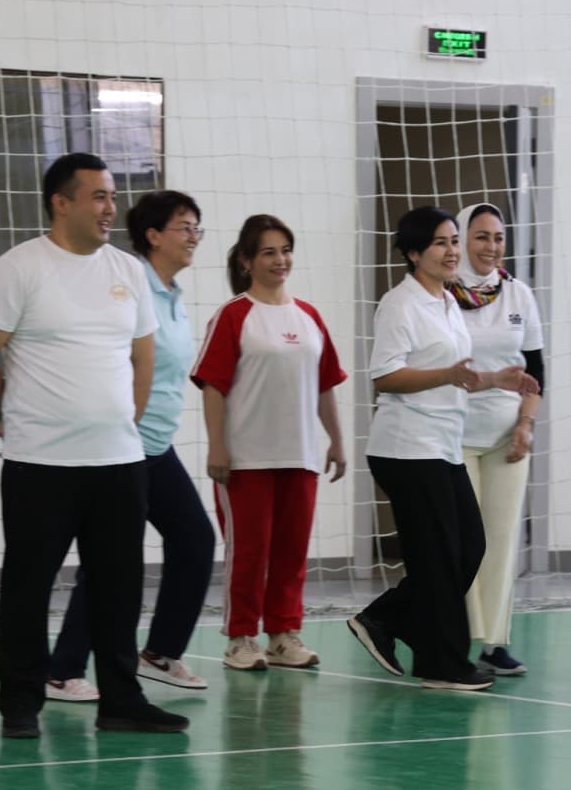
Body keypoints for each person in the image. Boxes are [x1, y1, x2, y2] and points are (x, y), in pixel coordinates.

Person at [0, 152, 189, 738]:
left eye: (113, 197)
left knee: (117, 587)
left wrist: (124, 422)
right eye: (99, 197)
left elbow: (143, 356)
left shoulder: (127, 271)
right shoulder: (18, 268)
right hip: (41, 463)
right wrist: (7, 410)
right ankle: (21, 704)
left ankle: (120, 701)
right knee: (28, 586)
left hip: (118, 461)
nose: (112, 208)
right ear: (61, 203)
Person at [348, 206, 538, 692]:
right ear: (414, 253)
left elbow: (457, 374)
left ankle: (384, 620)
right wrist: (448, 375)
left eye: (455, 241)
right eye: (442, 243)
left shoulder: (448, 302)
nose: (453, 251)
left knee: (469, 547)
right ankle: (442, 663)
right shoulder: (401, 303)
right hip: (406, 449)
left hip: (442, 446)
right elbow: (385, 375)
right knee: (439, 558)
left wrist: (496, 379)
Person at [42, 189, 217, 702]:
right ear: (153, 235)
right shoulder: (128, 283)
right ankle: (62, 669)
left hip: (156, 445)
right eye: (184, 227)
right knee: (110, 559)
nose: (193, 238)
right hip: (121, 444)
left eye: (196, 228)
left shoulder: (173, 295)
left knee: (194, 540)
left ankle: (161, 653)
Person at [193, 214, 348, 672]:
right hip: (246, 459)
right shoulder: (234, 315)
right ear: (246, 261)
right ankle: (241, 637)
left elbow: (324, 386)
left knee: (291, 551)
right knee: (249, 554)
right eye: (268, 252)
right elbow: (213, 387)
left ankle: (284, 634)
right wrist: (217, 447)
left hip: (298, 455)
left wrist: (337, 441)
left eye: (285, 250)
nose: (280, 260)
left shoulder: (310, 317)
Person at [451, 202, 545, 676]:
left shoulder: (519, 296)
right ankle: (457, 638)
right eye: (481, 236)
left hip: (507, 436)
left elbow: (536, 371)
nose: (491, 247)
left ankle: (495, 644)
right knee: (465, 541)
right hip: (453, 437)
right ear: (463, 239)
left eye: (498, 237)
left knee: (502, 539)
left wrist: (526, 425)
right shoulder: (443, 295)